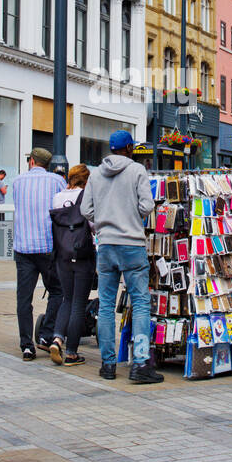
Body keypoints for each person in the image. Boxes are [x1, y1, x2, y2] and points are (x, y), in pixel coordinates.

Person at [82, 130, 161, 384]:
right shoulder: (137, 170)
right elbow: (147, 206)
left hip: (106, 246)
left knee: (105, 304)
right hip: (131, 244)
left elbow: (86, 210)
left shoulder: (95, 173)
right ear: (129, 148)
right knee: (139, 303)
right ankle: (139, 365)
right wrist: (131, 216)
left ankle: (108, 365)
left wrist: (104, 221)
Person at [10, 148, 67, 360]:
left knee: (23, 298)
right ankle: (45, 335)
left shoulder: (17, 181)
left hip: (24, 247)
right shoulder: (57, 181)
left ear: (32, 161)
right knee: (57, 291)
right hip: (47, 246)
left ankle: (26, 345)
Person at [49, 164, 94, 367]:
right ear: (86, 180)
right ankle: (72, 353)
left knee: (67, 299)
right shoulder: (85, 197)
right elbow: (93, 224)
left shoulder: (57, 197)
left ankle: (57, 338)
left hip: (62, 255)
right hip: (82, 254)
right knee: (78, 303)